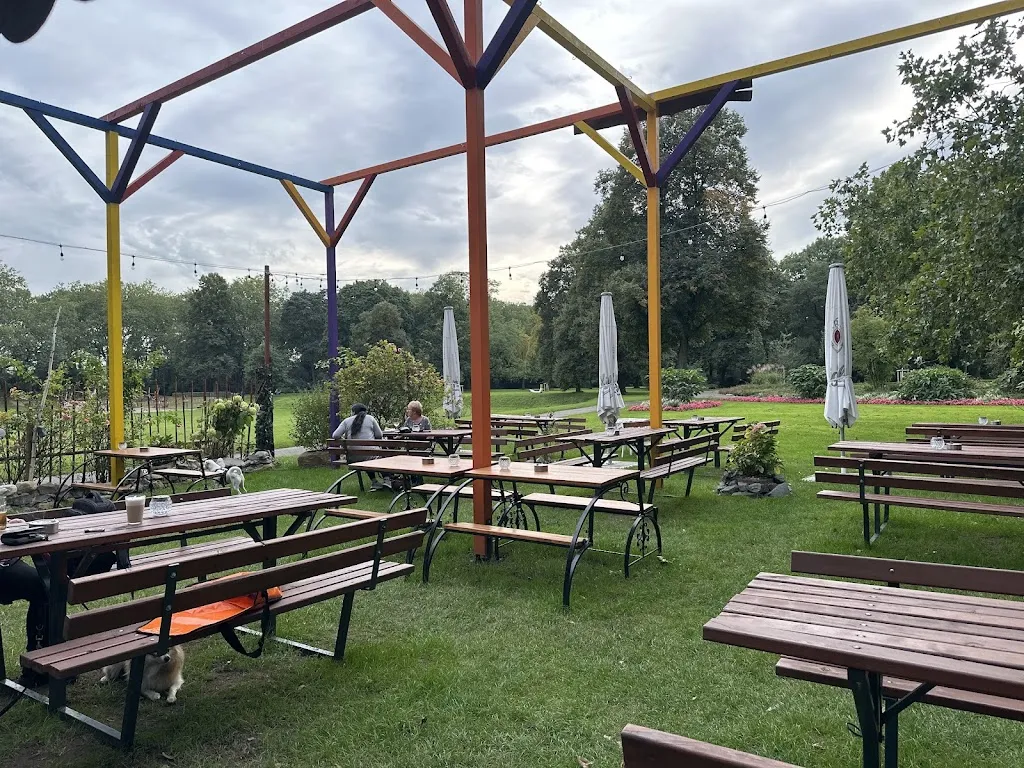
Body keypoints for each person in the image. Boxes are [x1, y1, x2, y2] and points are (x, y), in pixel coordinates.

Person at [332, 403, 388, 491]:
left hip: (352, 458)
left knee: (366, 456)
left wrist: (344, 440)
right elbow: (379, 435)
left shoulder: (346, 421)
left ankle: (374, 482)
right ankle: (387, 480)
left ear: (353, 412)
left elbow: (335, 435)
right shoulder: (370, 418)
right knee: (383, 454)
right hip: (370, 456)